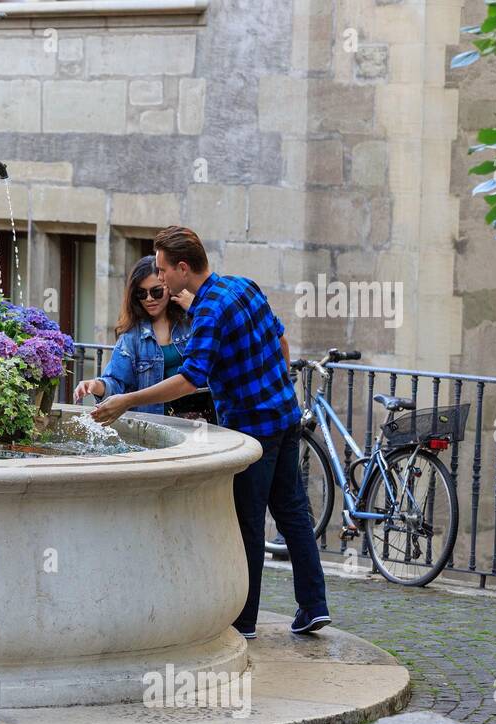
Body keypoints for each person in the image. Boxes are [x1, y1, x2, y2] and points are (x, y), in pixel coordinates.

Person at [91, 226, 331, 638]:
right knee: (293, 513)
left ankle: (245, 621)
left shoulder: (207, 313)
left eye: (164, 270)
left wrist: (125, 401)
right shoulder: (243, 287)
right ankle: (314, 606)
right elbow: (281, 340)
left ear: (184, 268)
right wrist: (277, 391)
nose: (160, 279)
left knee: (247, 524)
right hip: (285, 417)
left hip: (253, 432)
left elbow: (189, 378)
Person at [73, 255, 197, 413]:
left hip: (200, 422)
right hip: (157, 425)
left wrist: (196, 307)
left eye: (156, 291)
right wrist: (96, 386)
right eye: (141, 293)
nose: (149, 299)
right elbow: (116, 383)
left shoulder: (192, 321)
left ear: (169, 287)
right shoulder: (132, 336)